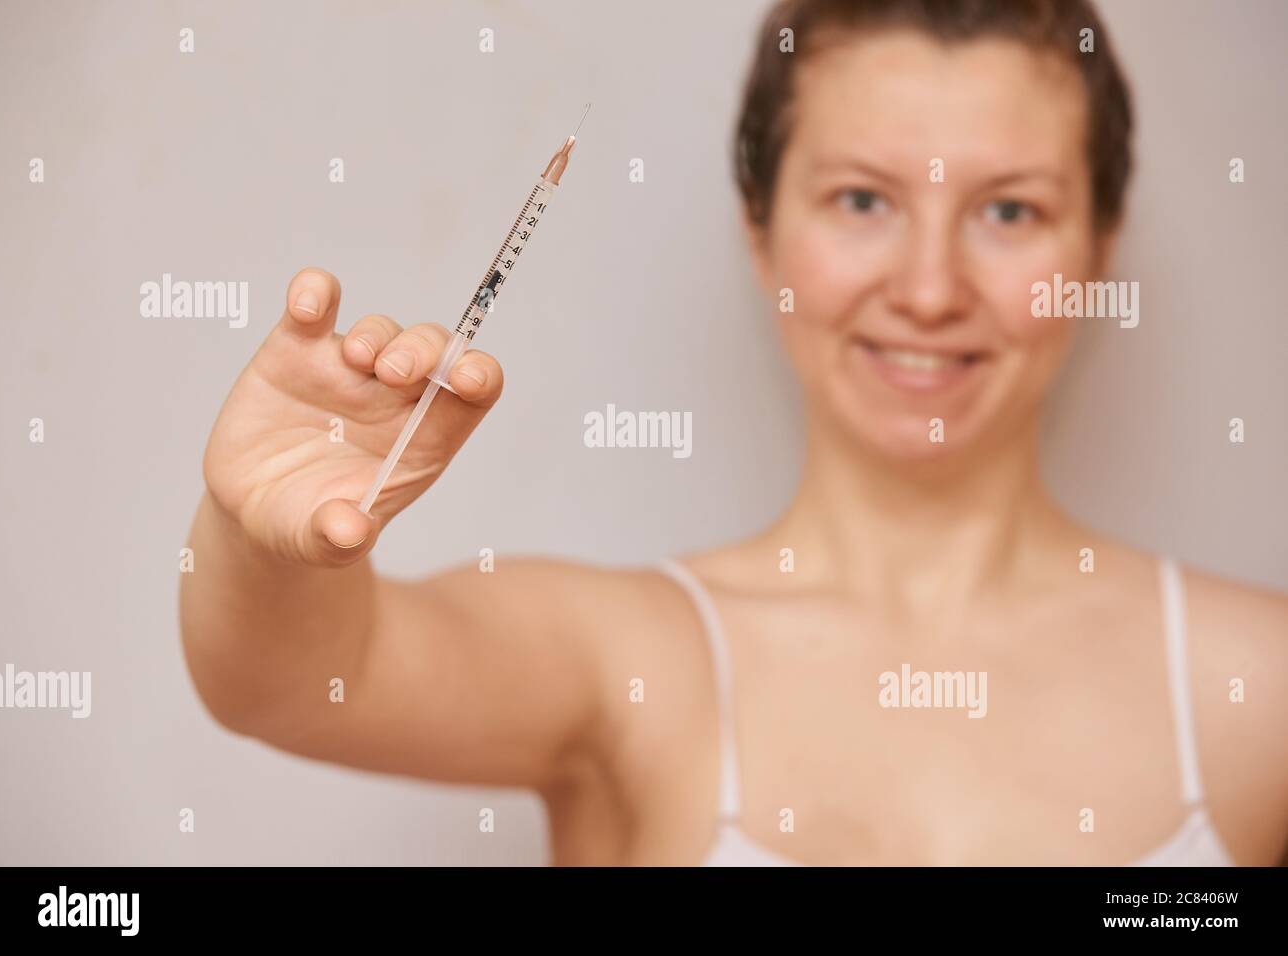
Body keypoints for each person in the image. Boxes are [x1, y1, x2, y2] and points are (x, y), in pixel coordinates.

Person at [180, 0, 1288, 865]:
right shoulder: (630, 660)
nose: (931, 285)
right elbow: (289, 680)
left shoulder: (1258, 687)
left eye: (1009, 211)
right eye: (862, 199)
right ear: (761, 234)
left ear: (1098, 247)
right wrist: (260, 535)